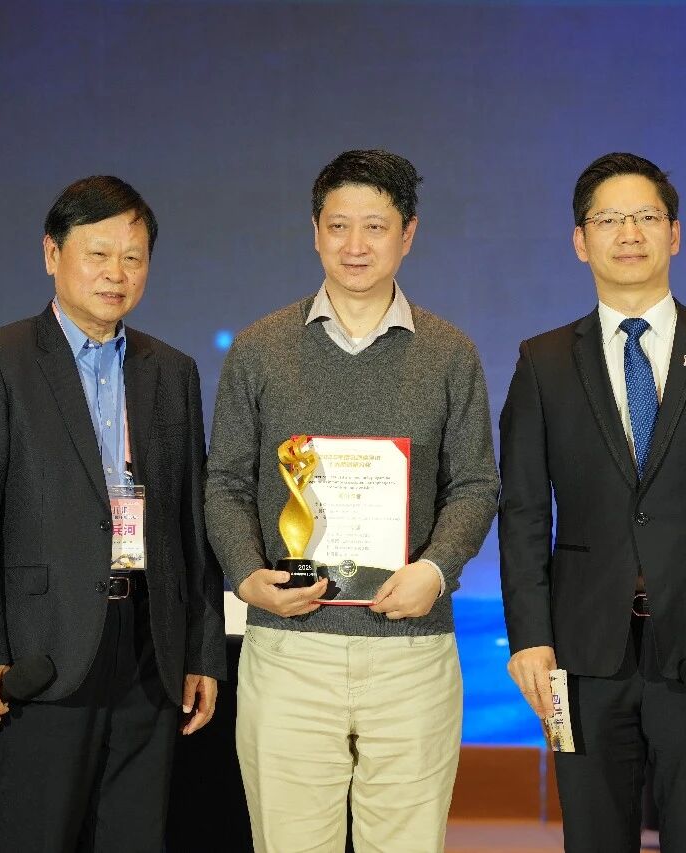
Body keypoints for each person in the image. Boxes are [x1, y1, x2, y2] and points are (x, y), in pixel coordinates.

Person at [498, 152, 686, 853]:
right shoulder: (542, 361)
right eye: (608, 219)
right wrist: (530, 637)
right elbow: (524, 513)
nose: (628, 233)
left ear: (675, 233)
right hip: (581, 654)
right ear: (581, 241)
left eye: (645, 217)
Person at [204, 149, 499, 853]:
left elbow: (475, 484)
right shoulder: (259, 348)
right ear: (315, 232)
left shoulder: (450, 353)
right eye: (338, 226)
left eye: (375, 226)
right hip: (290, 648)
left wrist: (436, 570)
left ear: (408, 234)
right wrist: (246, 577)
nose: (355, 245)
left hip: (411, 651)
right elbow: (225, 482)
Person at [0, 175, 226, 852]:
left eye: (133, 257)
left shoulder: (172, 370)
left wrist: (202, 651)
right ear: (52, 253)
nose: (115, 274)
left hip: (150, 650)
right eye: (97, 254)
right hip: (42, 653)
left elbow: (192, 525)